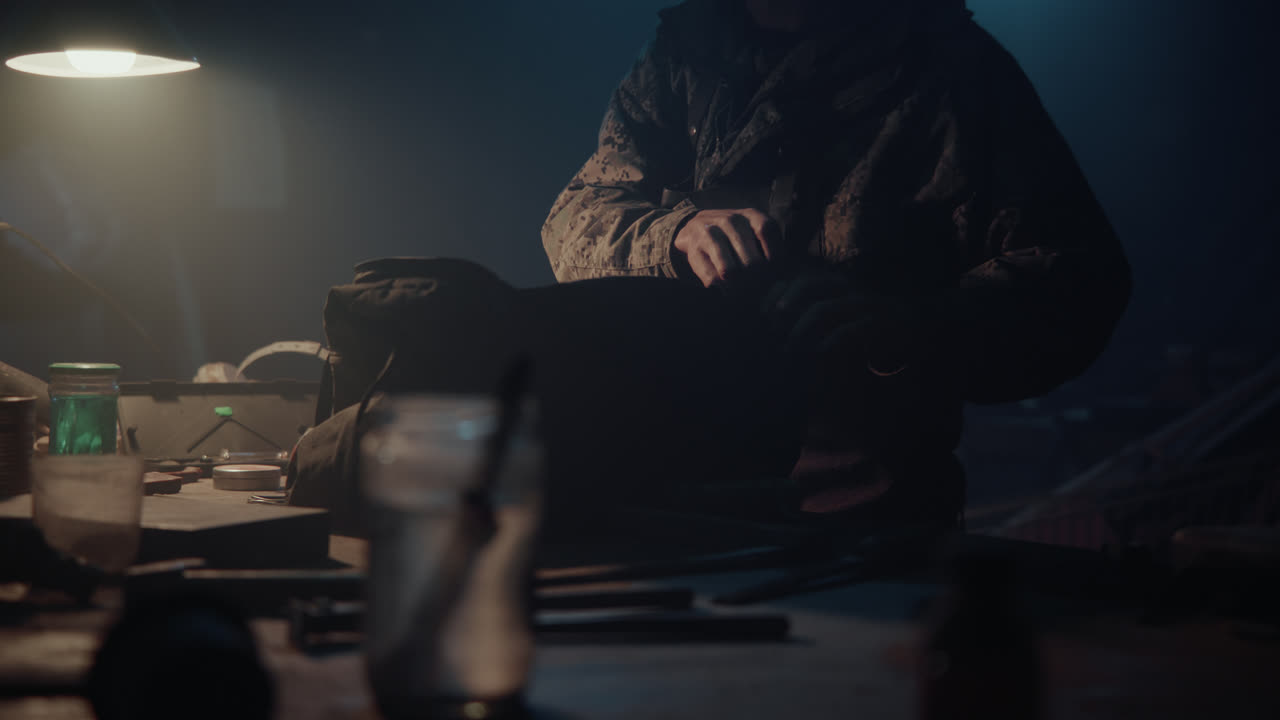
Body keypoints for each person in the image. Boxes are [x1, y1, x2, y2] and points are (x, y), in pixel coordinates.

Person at [540, 0, 1131, 530]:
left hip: (866, 515)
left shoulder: (952, 67)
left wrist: (905, 327)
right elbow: (574, 220)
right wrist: (671, 235)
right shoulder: (686, 51)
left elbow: (1076, 278)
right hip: (673, 496)